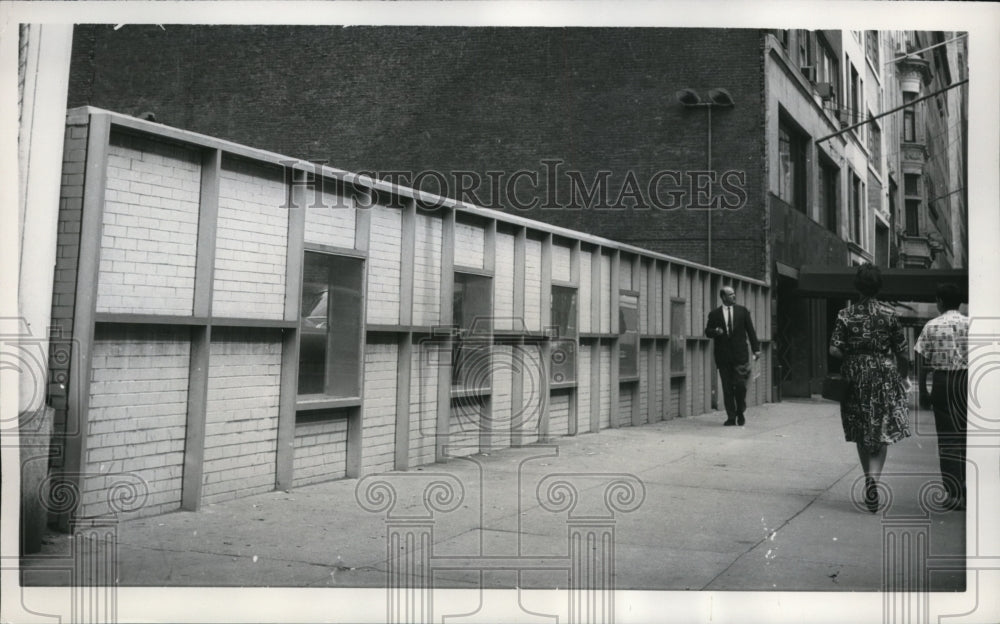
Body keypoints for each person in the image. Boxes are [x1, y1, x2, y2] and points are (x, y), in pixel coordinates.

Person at [829, 263, 911, 513]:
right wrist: (902, 376)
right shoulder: (890, 314)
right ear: (879, 286)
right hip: (884, 375)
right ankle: (874, 480)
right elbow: (903, 352)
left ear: (857, 286)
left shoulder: (846, 314)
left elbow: (834, 349)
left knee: (861, 428)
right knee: (881, 429)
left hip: (855, 377)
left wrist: (852, 358)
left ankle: (868, 479)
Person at [914, 283, 968, 511]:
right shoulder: (971, 324)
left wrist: (923, 391)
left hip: (943, 382)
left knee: (947, 439)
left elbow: (920, 358)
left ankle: (953, 493)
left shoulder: (932, 325)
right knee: (966, 437)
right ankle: (967, 489)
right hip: (967, 382)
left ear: (940, 301)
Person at [705, 285, 760, 426]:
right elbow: (707, 331)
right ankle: (731, 416)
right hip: (723, 357)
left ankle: (740, 410)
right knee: (727, 388)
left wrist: (756, 349)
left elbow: (751, 331)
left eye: (734, 294)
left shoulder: (743, 312)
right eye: (730, 294)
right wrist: (715, 331)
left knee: (740, 385)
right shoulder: (714, 314)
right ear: (723, 297)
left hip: (740, 356)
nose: (734, 296)